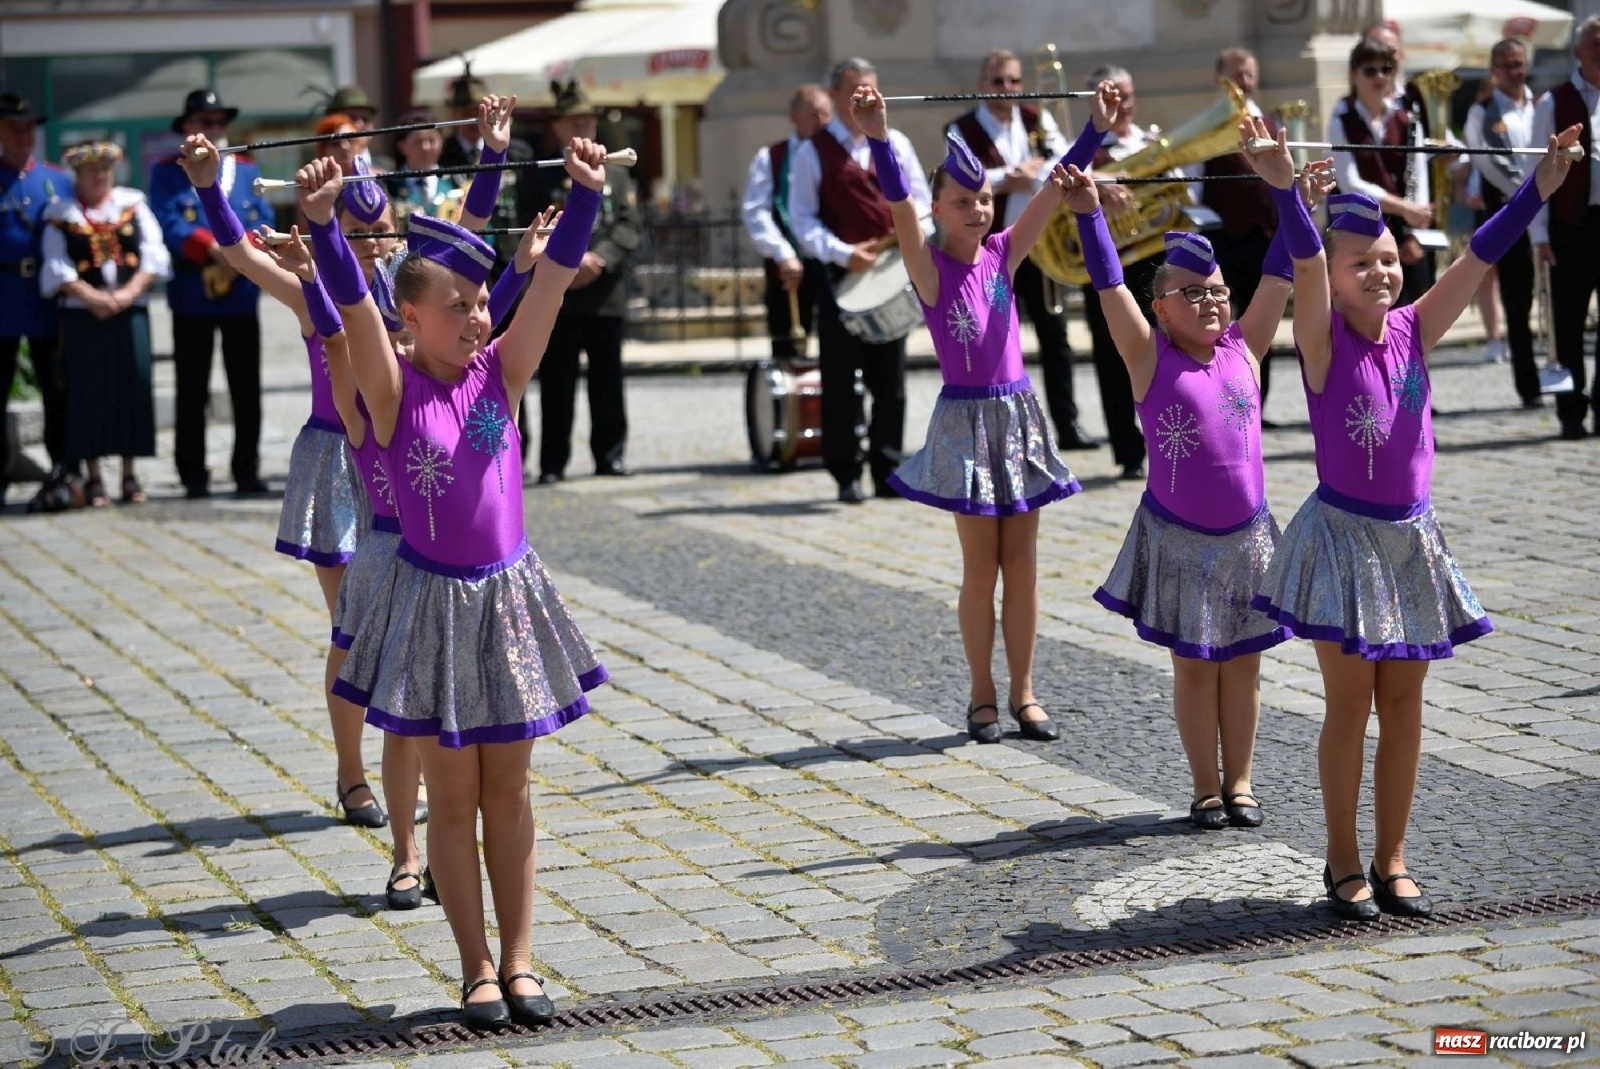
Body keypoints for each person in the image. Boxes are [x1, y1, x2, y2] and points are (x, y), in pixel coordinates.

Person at [303, 133, 610, 1029]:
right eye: (461, 306)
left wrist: (584, 193)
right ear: (413, 320)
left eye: (481, 303)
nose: (479, 318)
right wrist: (323, 228)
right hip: (435, 605)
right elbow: (353, 305)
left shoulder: (501, 376)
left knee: (510, 789)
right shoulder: (393, 390)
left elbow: (547, 284)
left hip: (506, 599)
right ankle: (474, 964)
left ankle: (520, 959)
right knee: (459, 793)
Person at [1247, 115, 1579, 919]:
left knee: (1404, 707)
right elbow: (1302, 258)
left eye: (1390, 260)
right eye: (1362, 263)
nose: (1381, 274)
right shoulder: (1321, 342)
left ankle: (1394, 856)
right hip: (1343, 543)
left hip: (1410, 542)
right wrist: (1287, 188)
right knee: (1350, 706)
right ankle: (1342, 858)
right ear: (1335, 272)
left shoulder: (1416, 330)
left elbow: (1480, 256)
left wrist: (1541, 185)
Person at [1080, 138, 1332, 828]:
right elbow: (1106, 287)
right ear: (1160, 307)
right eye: (1191, 293)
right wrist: (1088, 217)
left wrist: (1295, 199)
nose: (1211, 302)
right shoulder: (1147, 355)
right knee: (1194, 667)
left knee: (1244, 666)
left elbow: (1282, 268)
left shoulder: (1245, 347)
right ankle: (1204, 786)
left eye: (1218, 290)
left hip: (1248, 535)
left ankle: (1242, 780)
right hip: (1181, 540)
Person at [871, 84, 1112, 742]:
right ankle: (982, 694)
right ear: (938, 208)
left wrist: (1093, 130)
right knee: (983, 569)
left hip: (1018, 418)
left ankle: (1025, 691)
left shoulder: (1005, 251)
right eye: (962, 201)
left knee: (1025, 567)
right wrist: (876, 136)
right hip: (967, 425)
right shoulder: (927, 268)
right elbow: (897, 206)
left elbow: (1054, 190)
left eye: (982, 199)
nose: (977, 209)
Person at [789, 57, 932, 503]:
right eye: (854, 89)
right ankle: (845, 470)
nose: (865, 97)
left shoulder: (898, 142)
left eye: (870, 88)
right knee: (839, 376)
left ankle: (888, 468)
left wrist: (909, 241)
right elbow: (802, 218)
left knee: (890, 378)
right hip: (841, 276)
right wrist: (843, 253)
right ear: (835, 97)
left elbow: (923, 203)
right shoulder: (813, 151)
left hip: (891, 272)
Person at [946, 50, 1096, 451]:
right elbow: (954, 182)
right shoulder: (960, 128)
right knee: (991, 335)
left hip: (1041, 247)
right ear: (982, 86)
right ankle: (994, 429)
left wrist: (1038, 176)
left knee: (1055, 336)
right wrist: (1002, 179)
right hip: (989, 252)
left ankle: (1066, 425)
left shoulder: (1036, 119)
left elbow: (1065, 161)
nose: (1007, 89)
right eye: (998, 82)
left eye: (1013, 81)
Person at [148, 89, 274, 498]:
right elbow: (167, 222)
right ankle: (193, 473)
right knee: (192, 388)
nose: (214, 130)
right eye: (205, 122)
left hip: (240, 293)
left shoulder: (247, 169)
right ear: (187, 128)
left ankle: (247, 470)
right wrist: (211, 248)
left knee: (245, 386)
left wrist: (242, 253)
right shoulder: (168, 171)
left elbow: (264, 221)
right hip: (192, 295)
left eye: (219, 122)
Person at [519, 79, 641, 482]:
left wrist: (599, 258)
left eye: (589, 121)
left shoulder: (617, 170)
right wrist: (567, 264)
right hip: (560, 292)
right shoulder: (540, 174)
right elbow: (530, 227)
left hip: (604, 290)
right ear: (557, 127)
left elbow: (628, 225)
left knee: (608, 378)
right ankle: (554, 462)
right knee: (557, 380)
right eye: (575, 122)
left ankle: (611, 455)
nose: (585, 129)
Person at [39, 143, 169, 507]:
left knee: (133, 385)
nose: (99, 176)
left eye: (105, 169)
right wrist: (94, 298)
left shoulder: (131, 205)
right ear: (77, 175)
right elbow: (56, 266)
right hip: (84, 315)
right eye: (92, 170)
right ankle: (94, 477)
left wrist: (126, 295)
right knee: (88, 391)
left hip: (129, 310)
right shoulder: (61, 214)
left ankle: (129, 474)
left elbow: (154, 255)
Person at [1081, 64, 1178, 481]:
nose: (1124, 103)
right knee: (1111, 356)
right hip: (1104, 267)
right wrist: (1101, 183)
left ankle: (1167, 441)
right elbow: (1063, 177)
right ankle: (1127, 449)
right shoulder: (1085, 148)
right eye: (1113, 96)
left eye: (1128, 94)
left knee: (1163, 351)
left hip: (1151, 263)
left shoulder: (1153, 143)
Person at [1190, 48, 1284, 410]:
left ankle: (1259, 401)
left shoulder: (1272, 123)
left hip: (1264, 240)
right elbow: (1194, 187)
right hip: (1224, 241)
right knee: (1222, 325)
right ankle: (1225, 398)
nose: (1245, 82)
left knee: (1264, 323)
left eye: (1249, 74)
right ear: (1219, 79)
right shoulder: (1208, 125)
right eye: (1236, 75)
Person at [1326, 38, 1437, 310]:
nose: (1379, 76)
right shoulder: (1341, 122)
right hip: (1360, 230)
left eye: (1386, 69)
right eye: (1370, 70)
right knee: (1364, 315)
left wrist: (1413, 232)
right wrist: (1406, 208)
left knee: (1414, 316)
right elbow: (1350, 182)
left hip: (1407, 229)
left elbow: (1418, 175)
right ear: (1354, 75)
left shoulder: (1409, 122)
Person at [0, 93, 71, 511]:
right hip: (4, 294)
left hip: (45, 296)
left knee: (55, 386)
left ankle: (60, 466)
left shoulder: (56, 179)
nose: (24, 135)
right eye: (14, 128)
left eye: (29, 128)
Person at [1531, 16, 1600, 439]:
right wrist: (1538, 234)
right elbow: (1534, 170)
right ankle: (1571, 412)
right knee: (1569, 323)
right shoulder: (1554, 102)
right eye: (1594, 43)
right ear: (1577, 51)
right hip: (1571, 223)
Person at [1466, 40, 1537, 404]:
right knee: (1517, 302)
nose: (1515, 71)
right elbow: (1488, 163)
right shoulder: (1483, 111)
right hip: (1511, 217)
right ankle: (1530, 386)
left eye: (1520, 64)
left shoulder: (1541, 106)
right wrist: (1531, 196)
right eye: (1508, 65)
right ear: (1494, 70)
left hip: (1549, 216)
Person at [742, 85, 834, 360]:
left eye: (826, 114)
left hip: (833, 261)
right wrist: (782, 253)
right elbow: (756, 211)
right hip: (789, 264)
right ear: (794, 116)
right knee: (788, 347)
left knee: (839, 346)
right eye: (814, 114)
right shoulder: (771, 158)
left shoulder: (840, 154)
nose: (822, 121)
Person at [387, 108, 467, 222]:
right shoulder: (389, 186)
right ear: (401, 146)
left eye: (432, 140)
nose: (425, 147)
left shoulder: (456, 182)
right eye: (417, 142)